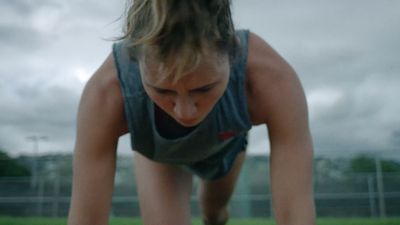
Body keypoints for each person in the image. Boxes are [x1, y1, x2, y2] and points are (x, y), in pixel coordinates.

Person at [67, 0, 315, 224]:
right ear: (135, 63)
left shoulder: (271, 79)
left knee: (214, 213)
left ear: (233, 52)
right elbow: (86, 219)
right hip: (160, 156)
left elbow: (295, 213)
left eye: (204, 88)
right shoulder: (107, 92)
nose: (185, 113)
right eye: (163, 91)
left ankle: (215, 215)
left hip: (224, 147)